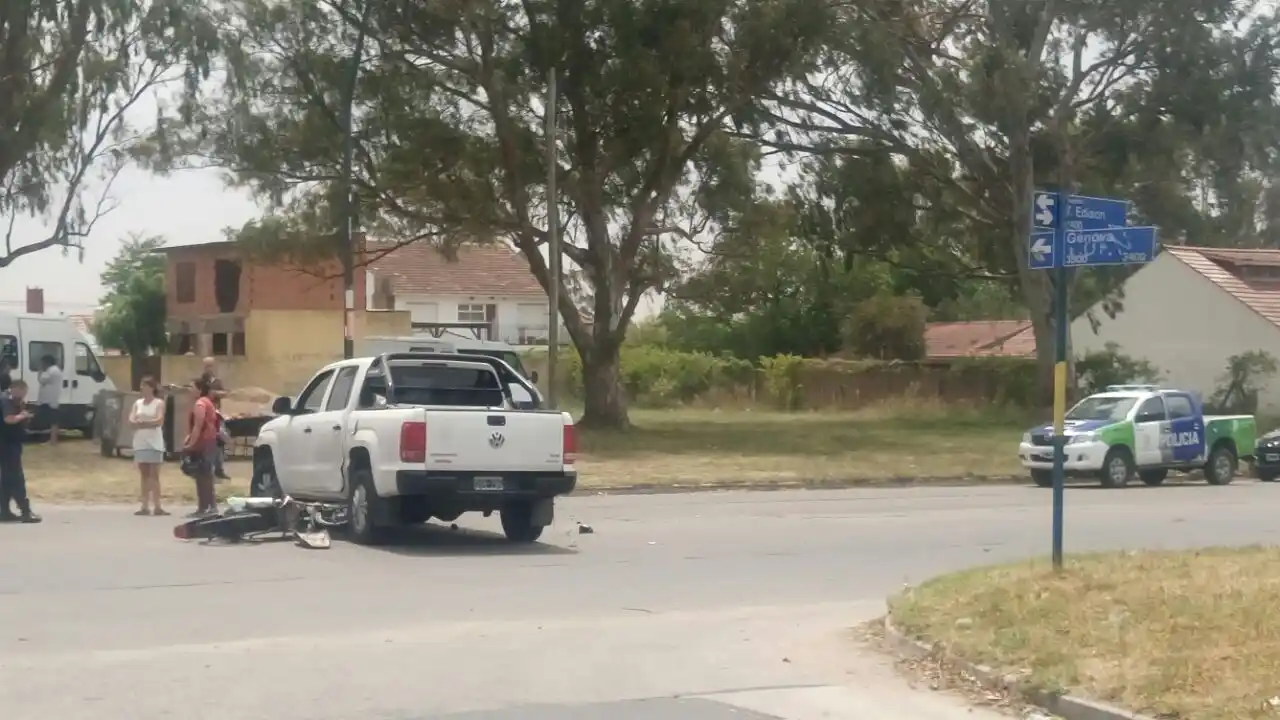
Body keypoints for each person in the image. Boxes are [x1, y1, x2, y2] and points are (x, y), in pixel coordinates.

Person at [0, 380, 41, 523]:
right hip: (7, 445)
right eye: (22, 392)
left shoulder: (13, 402)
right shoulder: (6, 400)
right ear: (15, 389)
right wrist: (22, 415)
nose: (23, 396)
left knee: (6, 480)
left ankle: (3, 511)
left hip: (11, 444)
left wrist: (23, 413)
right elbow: (8, 419)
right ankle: (25, 511)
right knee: (16, 478)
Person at [130, 376, 168, 516]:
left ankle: (157, 506)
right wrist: (140, 423)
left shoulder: (159, 403)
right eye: (141, 386)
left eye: (145, 386)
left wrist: (144, 423)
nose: (142, 388)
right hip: (141, 442)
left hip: (154, 443)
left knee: (154, 475)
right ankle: (144, 505)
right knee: (144, 475)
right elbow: (132, 419)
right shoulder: (137, 403)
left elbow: (159, 420)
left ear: (152, 388)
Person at [183, 375, 220, 517]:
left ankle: (205, 508)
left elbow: (198, 426)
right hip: (210, 442)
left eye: (192, 387)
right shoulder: (208, 402)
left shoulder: (200, 404)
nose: (190, 390)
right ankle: (210, 507)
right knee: (206, 476)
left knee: (202, 477)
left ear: (199, 389)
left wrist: (190, 443)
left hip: (202, 443)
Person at [201, 357, 230, 480]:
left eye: (210, 366)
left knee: (219, 441)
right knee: (206, 441)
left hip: (216, 413)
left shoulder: (217, 382)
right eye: (206, 366)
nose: (208, 368)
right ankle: (206, 468)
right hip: (204, 414)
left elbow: (224, 393)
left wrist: (216, 393)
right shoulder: (201, 381)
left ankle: (219, 469)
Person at [36, 354, 62, 444]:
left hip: (49, 400)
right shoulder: (55, 370)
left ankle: (53, 440)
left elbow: (41, 380)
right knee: (53, 421)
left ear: (47, 363)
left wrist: (39, 370)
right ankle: (52, 439)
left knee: (52, 421)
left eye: (42, 363)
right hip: (52, 400)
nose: (42, 365)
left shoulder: (51, 371)